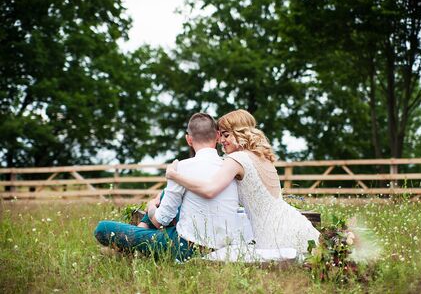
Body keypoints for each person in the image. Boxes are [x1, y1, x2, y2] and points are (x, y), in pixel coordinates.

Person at [166, 109, 320, 256]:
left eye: (226, 135)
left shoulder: (236, 159)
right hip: (294, 223)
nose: (221, 141)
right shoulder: (261, 156)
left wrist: (174, 176)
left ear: (240, 133)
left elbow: (209, 190)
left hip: (274, 234)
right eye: (221, 136)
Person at [94, 113, 243, 261]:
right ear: (218, 136)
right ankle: (135, 245)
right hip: (225, 245)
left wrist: (152, 205)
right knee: (167, 195)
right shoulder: (230, 167)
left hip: (188, 247)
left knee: (102, 228)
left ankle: (132, 245)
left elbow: (161, 219)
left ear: (189, 139)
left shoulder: (181, 167)